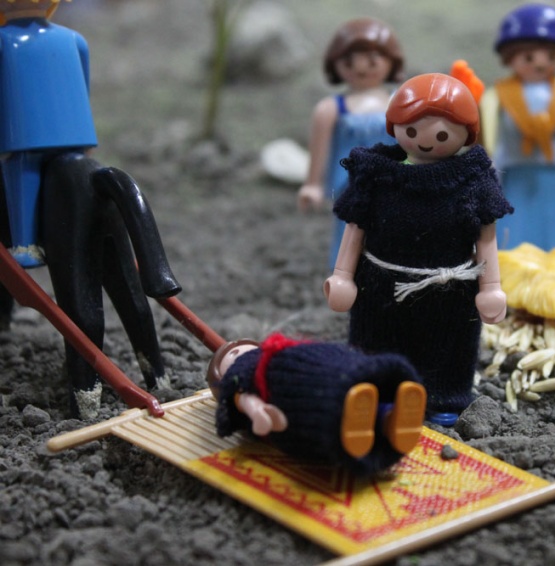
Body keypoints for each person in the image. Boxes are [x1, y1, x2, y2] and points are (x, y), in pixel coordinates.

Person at [324, 73, 513, 426]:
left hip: (450, 289)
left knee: (448, 346)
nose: (425, 141)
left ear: (466, 134)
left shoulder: (473, 178)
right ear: (394, 125)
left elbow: (485, 237)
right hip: (381, 285)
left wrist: (490, 287)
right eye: (411, 130)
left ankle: (444, 396)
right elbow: (356, 226)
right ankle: (378, 392)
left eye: (441, 135)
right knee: (377, 340)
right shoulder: (377, 174)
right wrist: (343, 276)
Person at [207, 333, 426, 476]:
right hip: (288, 389)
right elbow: (246, 402)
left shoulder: (272, 350)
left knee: (345, 374)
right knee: (326, 398)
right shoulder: (239, 383)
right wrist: (259, 412)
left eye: (237, 349)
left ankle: (388, 412)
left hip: (308, 365)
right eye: (230, 356)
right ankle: (384, 420)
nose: (237, 353)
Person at [480, 3, 555, 250]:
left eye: (551, 57)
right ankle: (507, 257)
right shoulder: (500, 94)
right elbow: (486, 122)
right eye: (529, 57)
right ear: (510, 56)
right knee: (512, 220)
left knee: (553, 221)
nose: (540, 64)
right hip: (513, 172)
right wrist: (485, 157)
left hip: (551, 172)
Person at [297, 18, 404, 270]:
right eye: (349, 61)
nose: (361, 68)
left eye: (372, 60)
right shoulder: (331, 108)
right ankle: (346, 277)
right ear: (335, 64)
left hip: (393, 183)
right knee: (349, 235)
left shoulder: (399, 102)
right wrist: (313, 184)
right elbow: (319, 148)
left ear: (391, 60)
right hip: (350, 187)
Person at [0, 0, 97, 267]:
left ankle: (25, 245)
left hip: (25, 135)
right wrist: (86, 133)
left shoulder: (4, 40)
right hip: (75, 132)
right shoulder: (75, 39)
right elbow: (84, 88)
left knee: (20, 172)